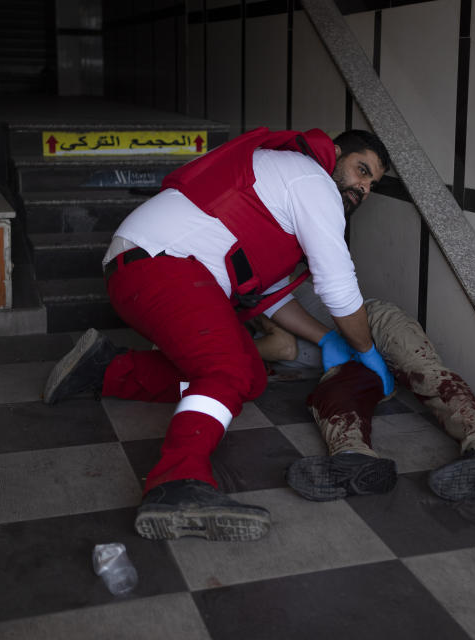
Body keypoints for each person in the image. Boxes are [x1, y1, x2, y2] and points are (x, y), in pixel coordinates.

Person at [41, 127, 395, 542]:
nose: (363, 188)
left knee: (250, 376)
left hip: (148, 264)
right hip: (162, 262)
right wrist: (366, 349)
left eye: (371, 183)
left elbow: (268, 298)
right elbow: (337, 284)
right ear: (334, 153)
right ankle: (176, 485)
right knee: (224, 368)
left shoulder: (286, 184)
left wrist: (324, 339)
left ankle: (104, 369)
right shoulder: (311, 179)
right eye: (361, 170)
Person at [251, 287, 475, 502]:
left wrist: (240, 349)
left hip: (371, 320)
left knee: (424, 370)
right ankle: (353, 460)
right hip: (347, 364)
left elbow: (284, 347)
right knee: (336, 396)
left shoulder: (258, 288)